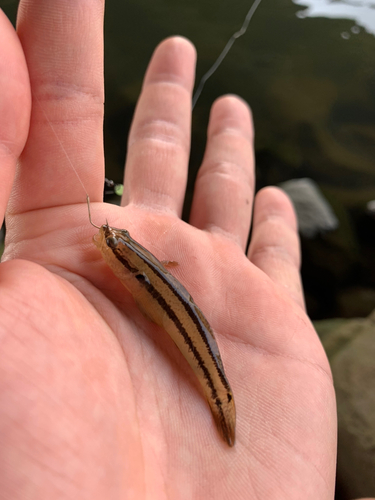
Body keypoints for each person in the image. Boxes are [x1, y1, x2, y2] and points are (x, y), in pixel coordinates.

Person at [0, 2, 372, 499]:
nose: (108, 241)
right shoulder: (133, 269)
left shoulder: (135, 268)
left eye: (115, 242)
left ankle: (221, 400)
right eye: (114, 242)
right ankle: (220, 401)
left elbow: (143, 276)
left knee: (200, 356)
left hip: (180, 318)